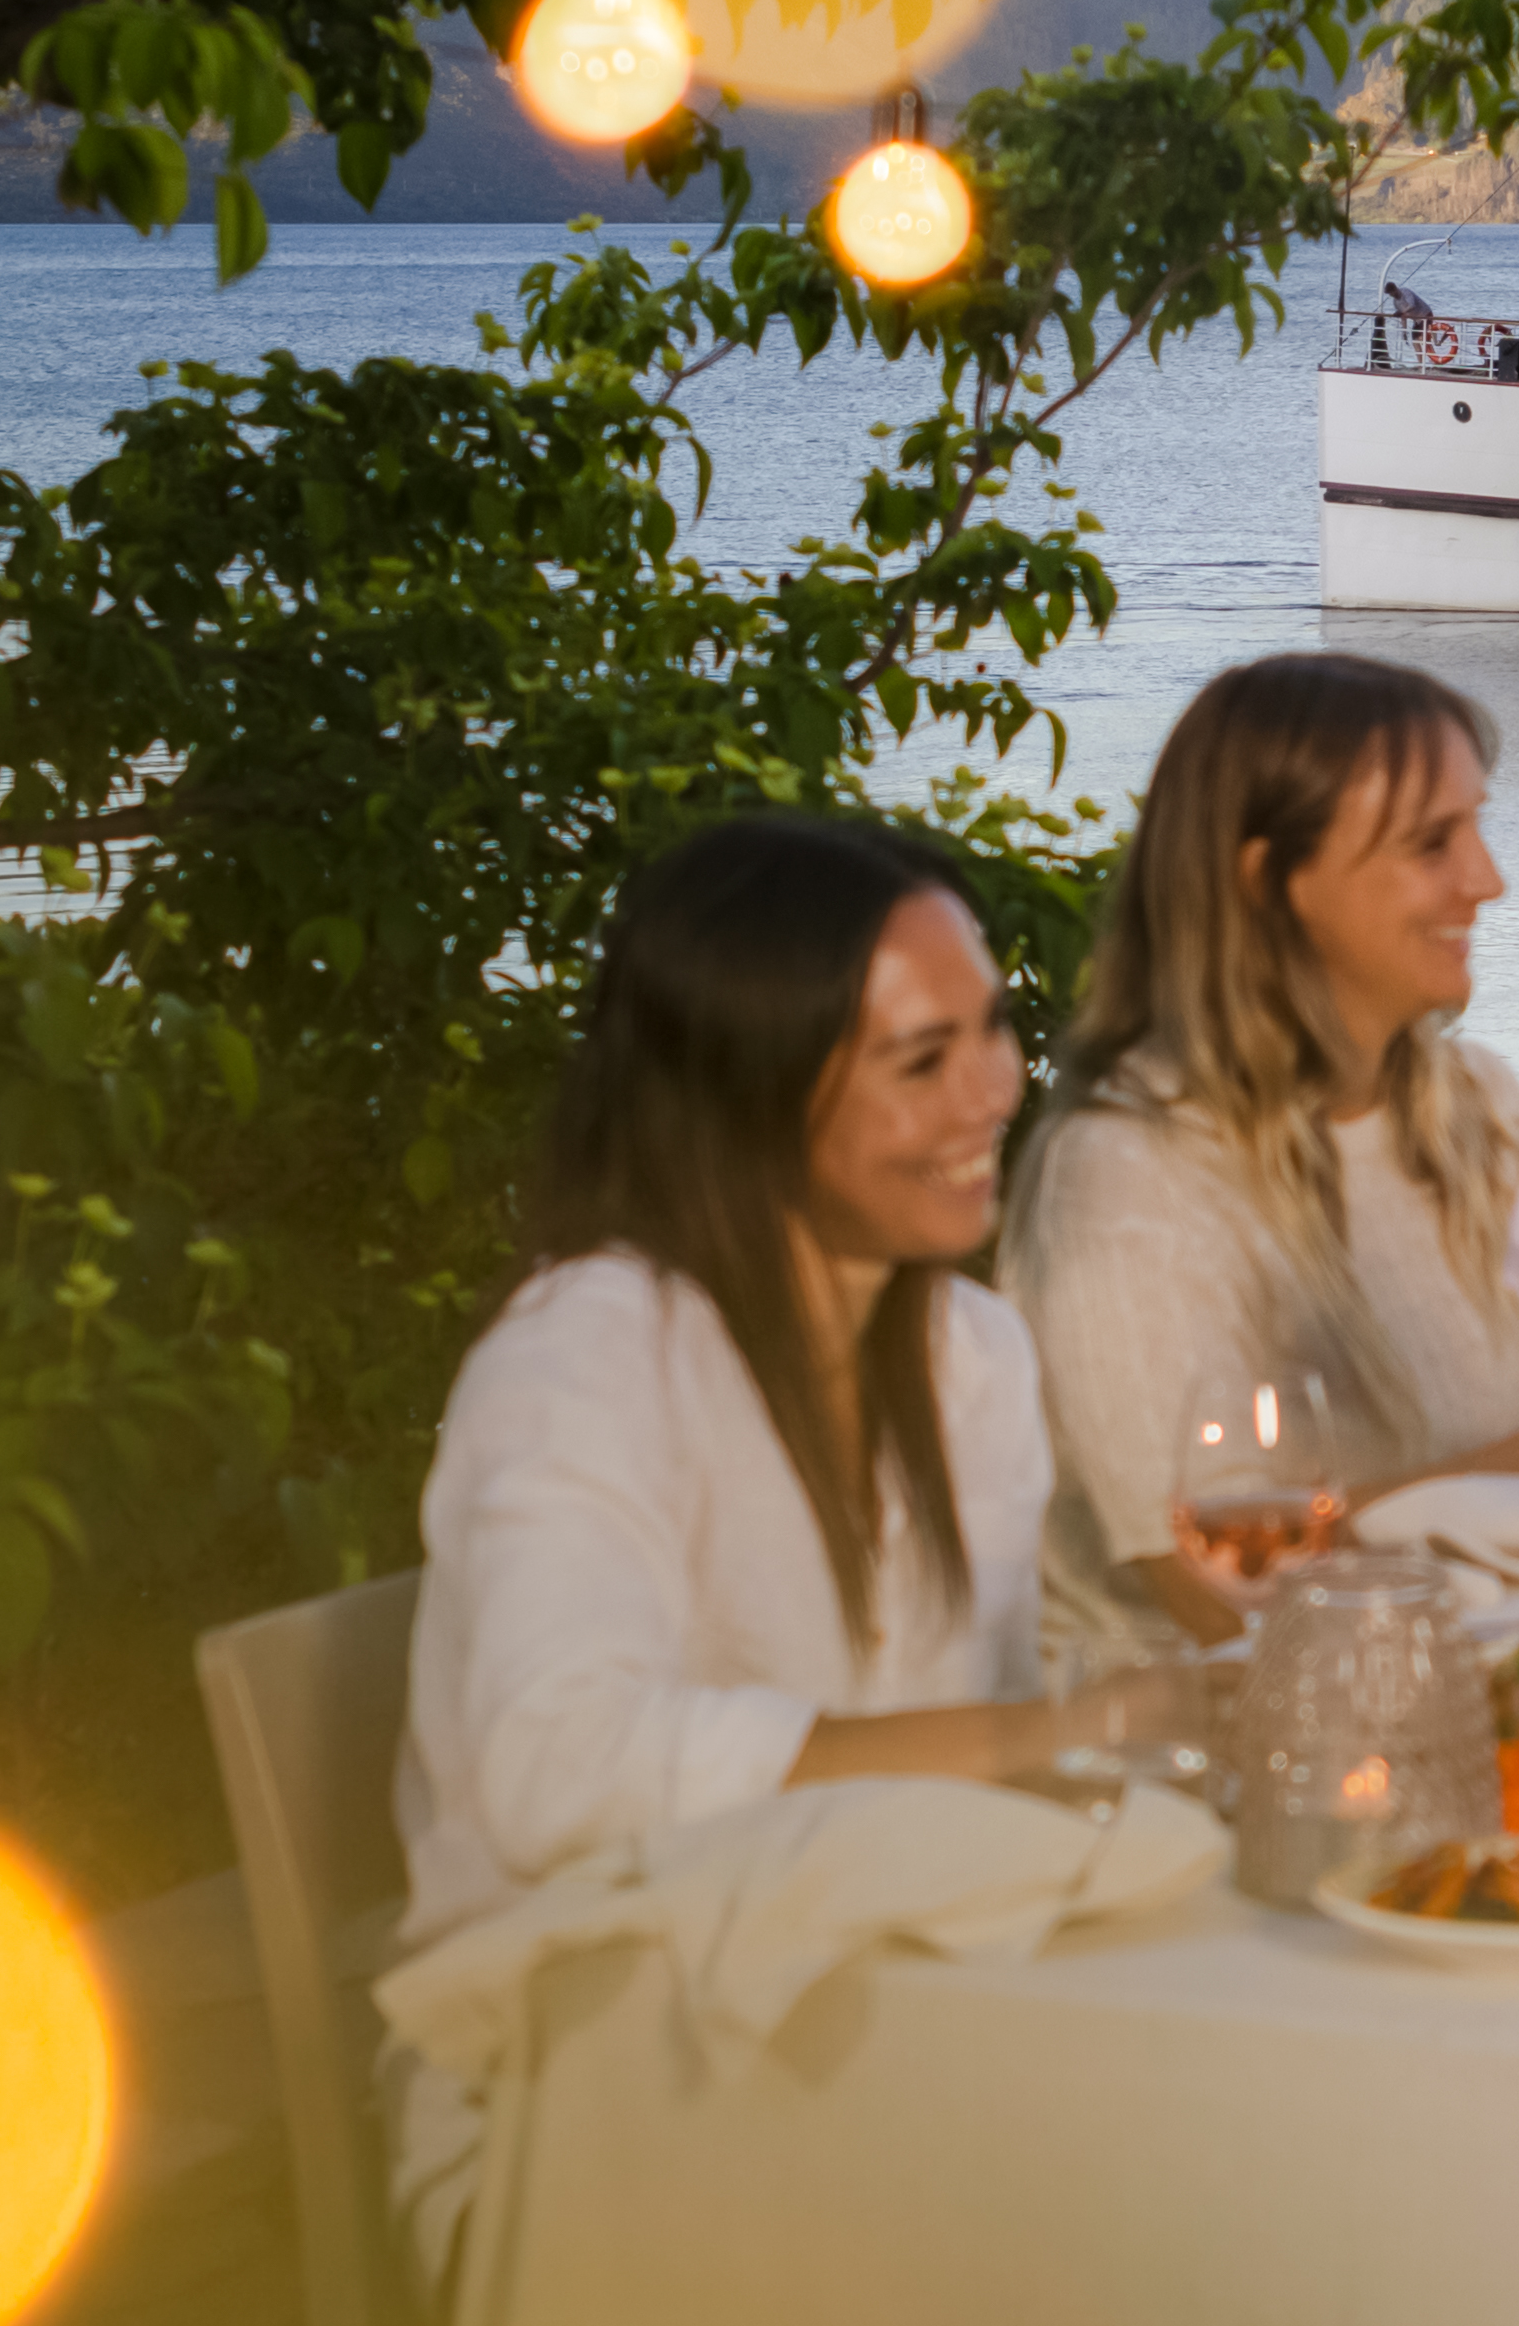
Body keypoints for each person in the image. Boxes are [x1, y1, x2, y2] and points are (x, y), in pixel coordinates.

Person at [395, 816, 1128, 1966]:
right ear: (751, 1093)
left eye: (996, 1028)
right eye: (922, 1061)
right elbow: (561, 1770)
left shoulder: (969, 1351)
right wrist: (1066, 1732)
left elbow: (985, 1749)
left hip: (898, 1979)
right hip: (598, 2040)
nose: (997, 1089)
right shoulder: (589, 1354)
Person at [1002, 654, 1519, 1644]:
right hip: (1231, 1751)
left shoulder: (1472, 1106)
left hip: (1501, 1679)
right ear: (1272, 881)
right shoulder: (1130, 1173)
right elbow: (1215, 1596)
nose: (1487, 879)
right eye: (1431, 843)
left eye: (1478, 827)